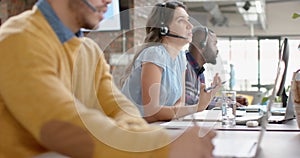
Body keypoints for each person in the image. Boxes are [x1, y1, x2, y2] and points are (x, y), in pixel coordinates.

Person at [0, 0, 216, 157]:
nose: (109, 1)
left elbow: (118, 108)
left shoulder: (88, 50)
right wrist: (160, 147)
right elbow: (60, 123)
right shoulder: (19, 39)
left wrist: (144, 139)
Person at [121, 1, 215, 123]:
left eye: (188, 20)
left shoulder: (181, 57)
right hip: (131, 128)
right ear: (163, 28)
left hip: (157, 126)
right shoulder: (154, 54)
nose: (190, 26)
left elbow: (178, 106)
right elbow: (151, 113)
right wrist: (197, 107)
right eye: (181, 20)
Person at [185, 26, 248, 108]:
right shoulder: (185, 66)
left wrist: (229, 100)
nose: (217, 50)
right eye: (214, 44)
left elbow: (200, 99)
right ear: (202, 45)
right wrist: (227, 104)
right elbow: (191, 103)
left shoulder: (197, 69)